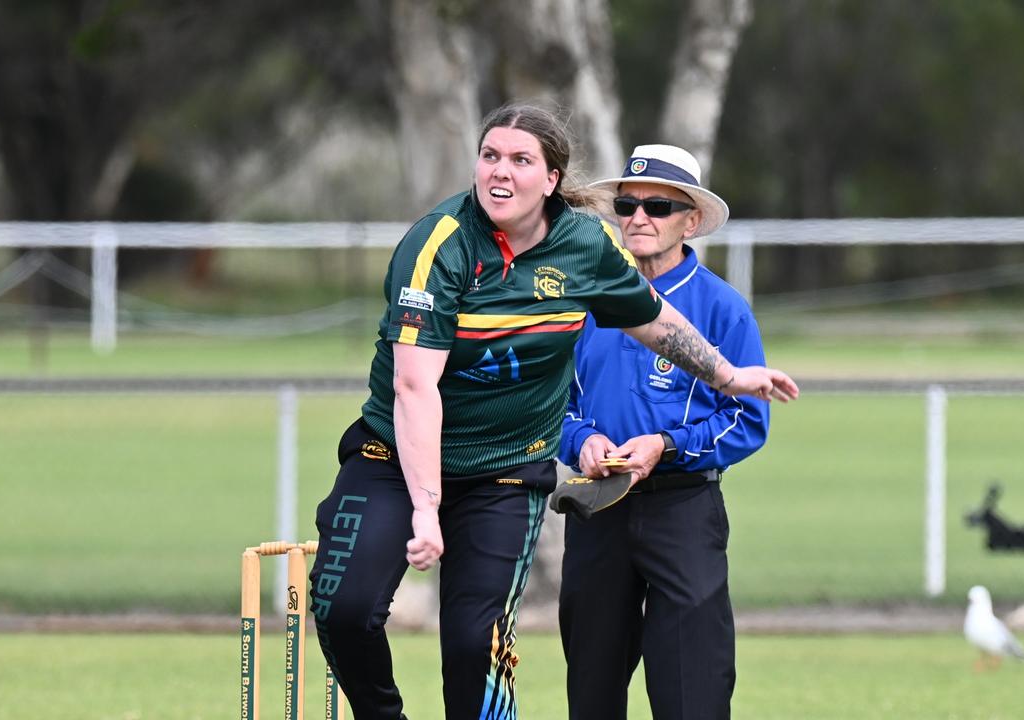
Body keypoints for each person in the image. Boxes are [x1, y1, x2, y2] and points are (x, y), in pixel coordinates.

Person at [308, 107, 798, 720]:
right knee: (344, 610)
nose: (500, 172)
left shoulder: (595, 255)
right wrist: (429, 505)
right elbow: (415, 387)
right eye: (490, 156)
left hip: (550, 481)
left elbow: (658, 325)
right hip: (417, 461)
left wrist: (720, 382)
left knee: (483, 645)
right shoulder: (441, 245)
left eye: (520, 160)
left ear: (551, 178)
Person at [558, 144, 770, 720]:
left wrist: (667, 445)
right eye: (626, 206)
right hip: (599, 509)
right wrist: (582, 442)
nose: (638, 218)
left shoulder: (723, 308)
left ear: (691, 220)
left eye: (657, 206)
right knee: (593, 694)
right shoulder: (582, 300)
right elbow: (553, 404)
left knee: (691, 693)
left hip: (683, 509)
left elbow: (747, 420)